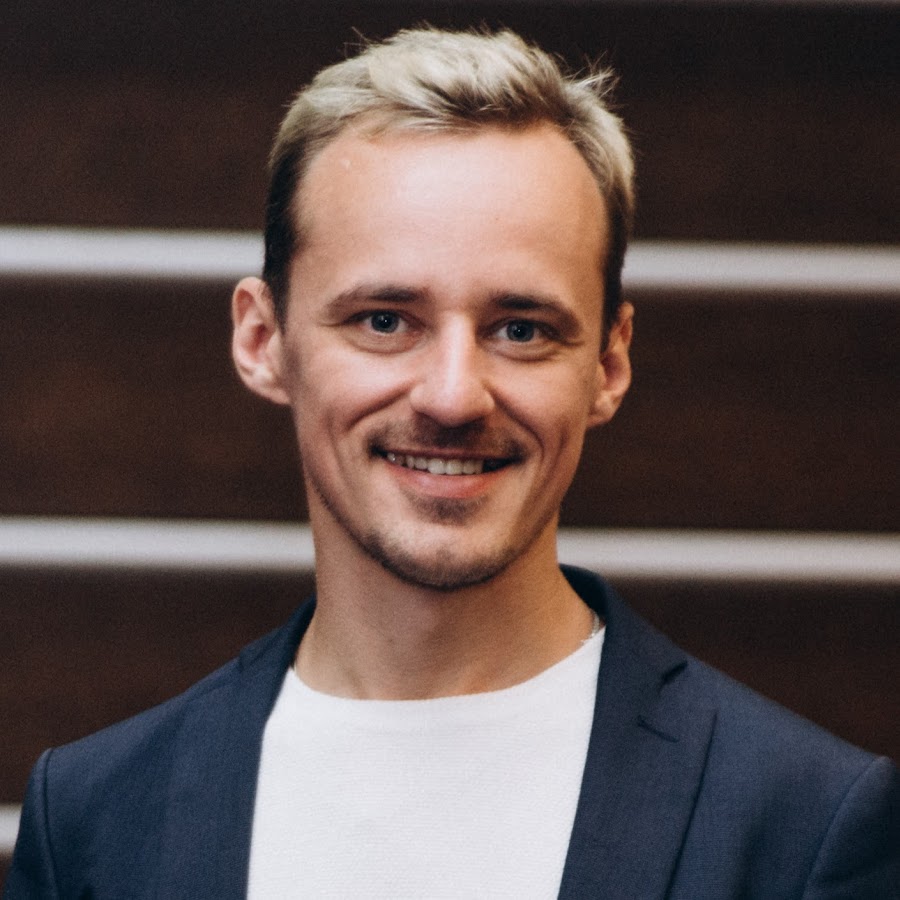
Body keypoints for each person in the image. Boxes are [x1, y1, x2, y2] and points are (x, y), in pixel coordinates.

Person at [5, 26, 898, 900]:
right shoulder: (91, 818)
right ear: (262, 339)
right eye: (384, 320)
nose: (453, 396)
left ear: (609, 363)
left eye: (522, 329)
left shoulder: (807, 826)